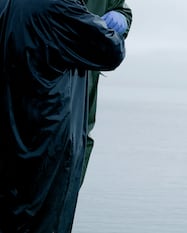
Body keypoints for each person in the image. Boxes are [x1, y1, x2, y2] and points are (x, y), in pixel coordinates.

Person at [0, 0, 125, 232]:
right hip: (48, 138)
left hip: (15, 131)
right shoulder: (58, 6)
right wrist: (106, 26)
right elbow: (111, 50)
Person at [81, 0, 133, 184]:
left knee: (80, 142)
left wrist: (123, 19)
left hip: (87, 83)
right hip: (43, 82)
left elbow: (121, 8)